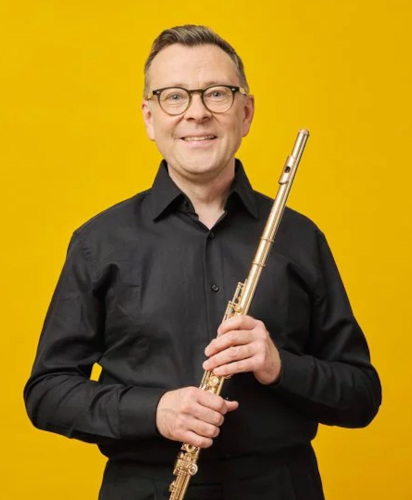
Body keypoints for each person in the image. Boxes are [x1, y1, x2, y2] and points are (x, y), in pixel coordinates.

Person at [24, 25, 381, 500]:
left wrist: (279, 366)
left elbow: (362, 395)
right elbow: (47, 393)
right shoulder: (99, 242)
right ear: (150, 118)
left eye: (217, 93)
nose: (196, 112)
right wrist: (154, 411)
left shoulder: (300, 237)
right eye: (174, 96)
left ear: (245, 112)